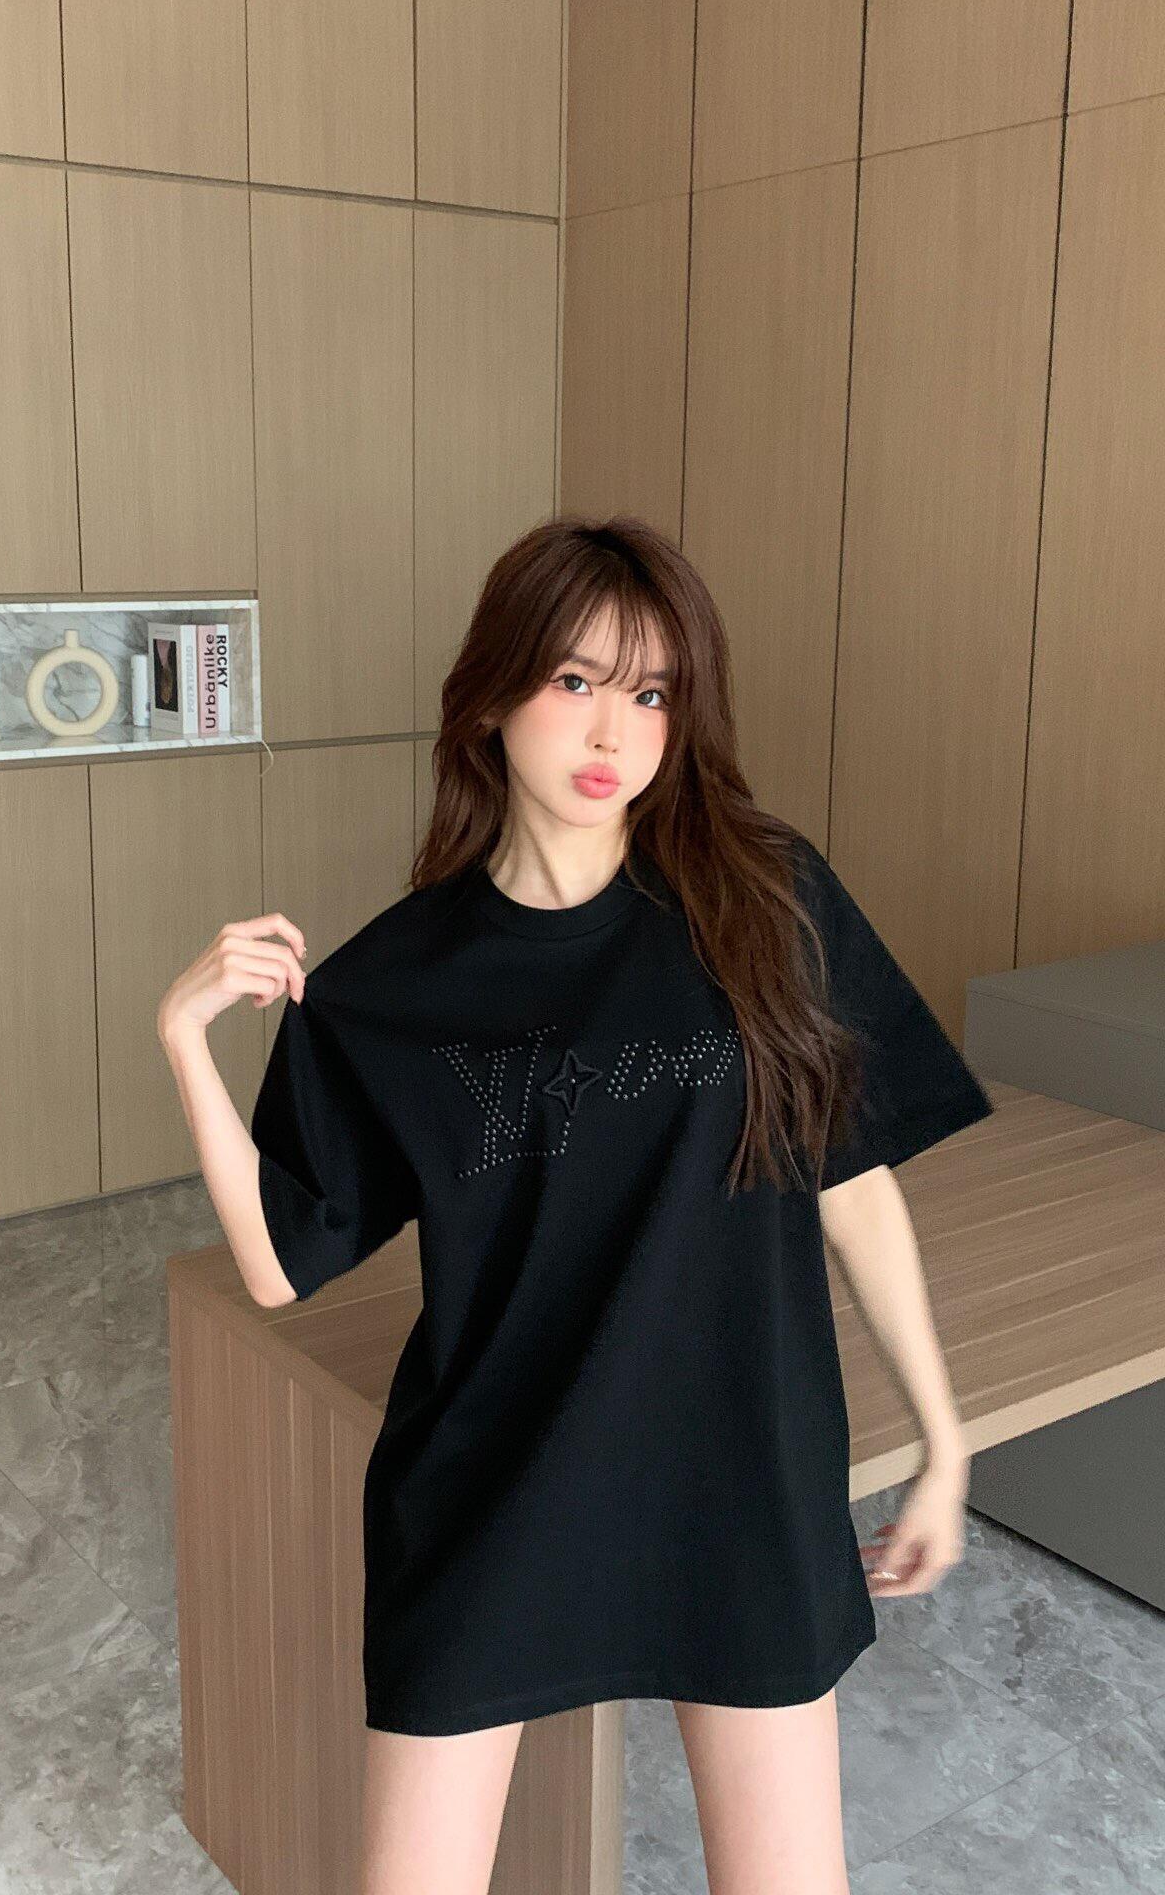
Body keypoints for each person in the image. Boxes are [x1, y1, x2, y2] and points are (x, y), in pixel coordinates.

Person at [158, 514, 995, 1895]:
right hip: (497, 1481)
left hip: (739, 1468)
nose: (615, 729)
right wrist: (188, 1042)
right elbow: (278, 1264)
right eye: (574, 680)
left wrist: (944, 1444)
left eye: (652, 692)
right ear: (491, 697)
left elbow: (850, 1181)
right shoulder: (397, 981)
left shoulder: (764, 902)